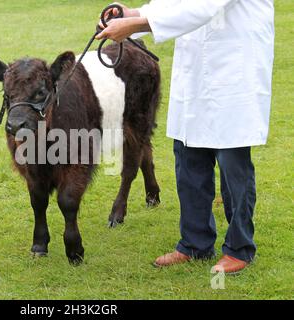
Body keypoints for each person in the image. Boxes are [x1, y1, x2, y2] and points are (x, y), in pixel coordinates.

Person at [96, 0, 275, 274]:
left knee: (233, 167)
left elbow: (203, 7)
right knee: (189, 159)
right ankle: (195, 243)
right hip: (195, 76)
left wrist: (137, 24)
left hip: (234, 71)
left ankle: (240, 248)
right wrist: (133, 14)